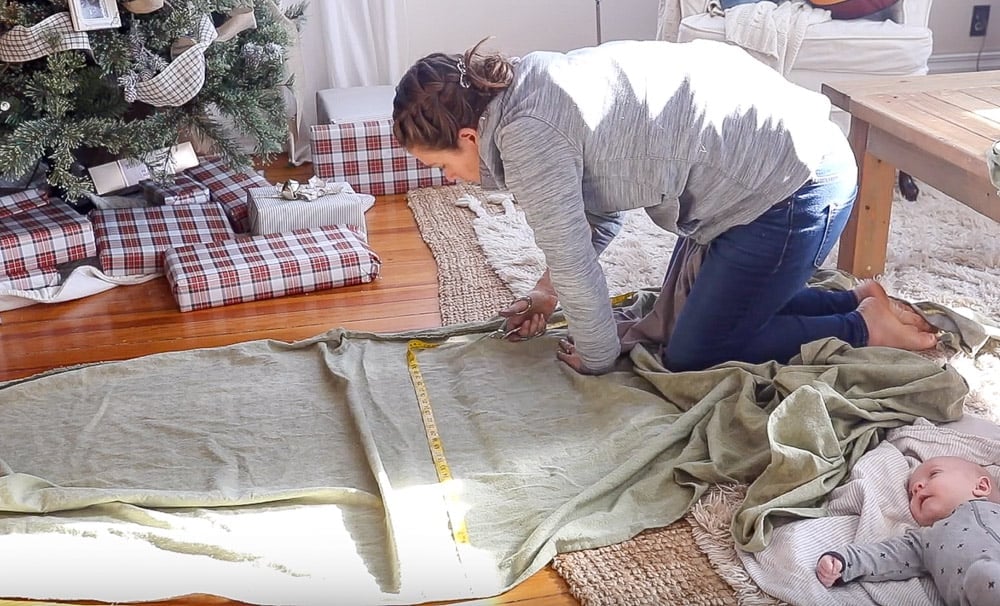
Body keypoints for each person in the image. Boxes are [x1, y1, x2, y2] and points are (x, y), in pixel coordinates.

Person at [392, 38, 938, 375]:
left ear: (467, 134)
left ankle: (862, 327)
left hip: (794, 191)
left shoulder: (527, 138)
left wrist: (598, 356)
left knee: (694, 353)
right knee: (676, 321)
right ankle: (855, 301)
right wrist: (544, 291)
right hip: (756, 181)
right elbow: (599, 210)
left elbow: (576, 264)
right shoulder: (528, 83)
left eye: (441, 166)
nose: (449, 180)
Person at [816, 456, 1000, 605]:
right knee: (982, 575)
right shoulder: (927, 539)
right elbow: (885, 555)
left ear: (981, 486)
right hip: (984, 587)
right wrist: (845, 561)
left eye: (934, 474)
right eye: (912, 493)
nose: (917, 487)